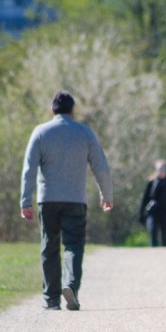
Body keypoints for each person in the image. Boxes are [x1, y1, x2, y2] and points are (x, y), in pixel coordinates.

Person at [20, 91, 113, 311]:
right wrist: (107, 195)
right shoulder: (84, 133)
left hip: (48, 199)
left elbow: (29, 169)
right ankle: (70, 285)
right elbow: (100, 166)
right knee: (73, 245)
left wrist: (25, 201)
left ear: (52, 110)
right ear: (73, 111)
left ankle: (51, 299)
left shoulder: (40, 132)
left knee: (49, 246)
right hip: (75, 200)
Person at [139, 160, 166, 247]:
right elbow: (144, 199)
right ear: (156, 170)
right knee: (152, 231)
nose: (161, 171)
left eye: (163, 169)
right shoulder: (151, 183)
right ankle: (154, 254)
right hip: (153, 212)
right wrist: (141, 214)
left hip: (165, 212)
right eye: (159, 169)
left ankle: (164, 256)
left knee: (165, 236)